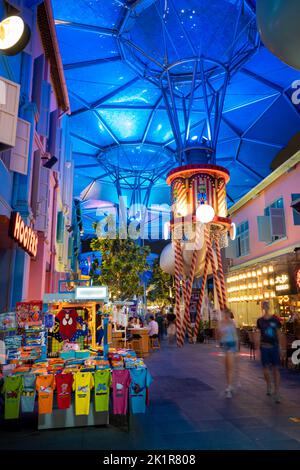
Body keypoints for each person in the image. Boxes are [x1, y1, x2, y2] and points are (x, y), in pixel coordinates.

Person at [255, 301, 282, 403]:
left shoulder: (275, 320)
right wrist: (257, 348)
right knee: (265, 369)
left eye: (267, 305)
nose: (265, 307)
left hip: (274, 347)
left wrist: (281, 348)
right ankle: (269, 384)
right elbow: (258, 334)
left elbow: (279, 333)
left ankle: (277, 392)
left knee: (276, 369)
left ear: (269, 307)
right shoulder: (260, 321)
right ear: (262, 307)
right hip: (264, 347)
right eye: (264, 305)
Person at [218, 308, 239, 398]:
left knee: (230, 367)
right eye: (224, 313)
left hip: (231, 345)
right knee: (226, 368)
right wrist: (221, 336)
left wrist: (237, 346)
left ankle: (229, 387)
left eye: (227, 313)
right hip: (224, 346)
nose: (226, 315)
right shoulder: (221, 323)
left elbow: (235, 335)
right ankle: (229, 385)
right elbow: (218, 335)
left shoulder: (232, 323)